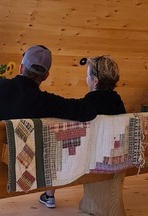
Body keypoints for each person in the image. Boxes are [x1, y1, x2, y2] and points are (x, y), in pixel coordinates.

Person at [0, 45, 99, 216]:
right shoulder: (43, 101)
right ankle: (49, 196)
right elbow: (86, 111)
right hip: (19, 171)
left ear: (21, 67)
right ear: (46, 76)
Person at [38, 55, 126, 209]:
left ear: (95, 81)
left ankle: (49, 195)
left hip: (86, 162)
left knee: (55, 144)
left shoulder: (87, 106)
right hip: (114, 159)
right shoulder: (119, 104)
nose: (86, 79)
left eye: (87, 76)